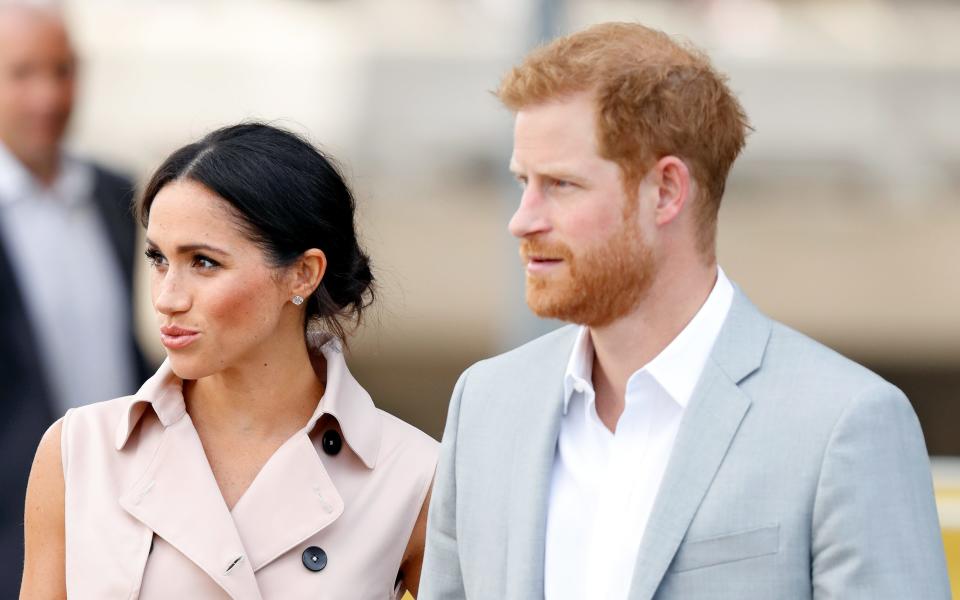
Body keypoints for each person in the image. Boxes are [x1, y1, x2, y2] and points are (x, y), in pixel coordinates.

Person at [420, 22, 950, 600]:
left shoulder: (844, 423)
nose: (522, 219)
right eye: (523, 181)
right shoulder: (486, 405)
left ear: (667, 191)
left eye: (562, 184)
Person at [20, 123, 438, 599]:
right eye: (159, 259)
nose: (167, 298)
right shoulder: (80, 451)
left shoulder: (413, 476)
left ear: (302, 274)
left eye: (203, 262)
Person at [0, 2, 146, 592]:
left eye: (62, 71)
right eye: (23, 73)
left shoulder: (116, 195)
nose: (48, 97)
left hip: (122, 516)